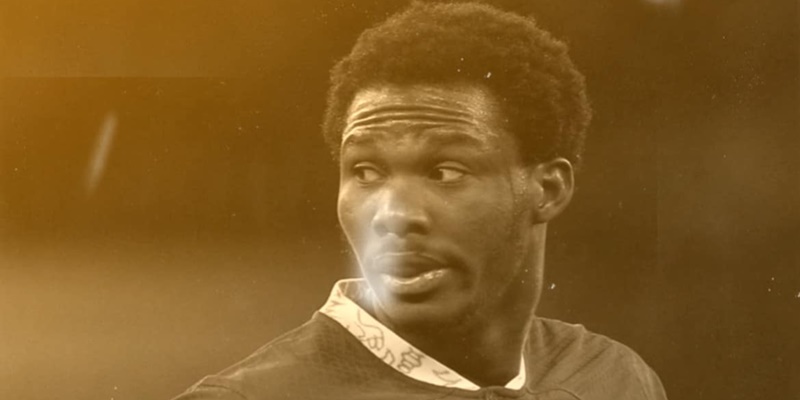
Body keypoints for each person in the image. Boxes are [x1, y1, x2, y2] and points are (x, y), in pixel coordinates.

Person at [173, 2, 668, 399]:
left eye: (445, 172)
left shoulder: (614, 378)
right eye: (366, 172)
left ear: (549, 189)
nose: (393, 215)